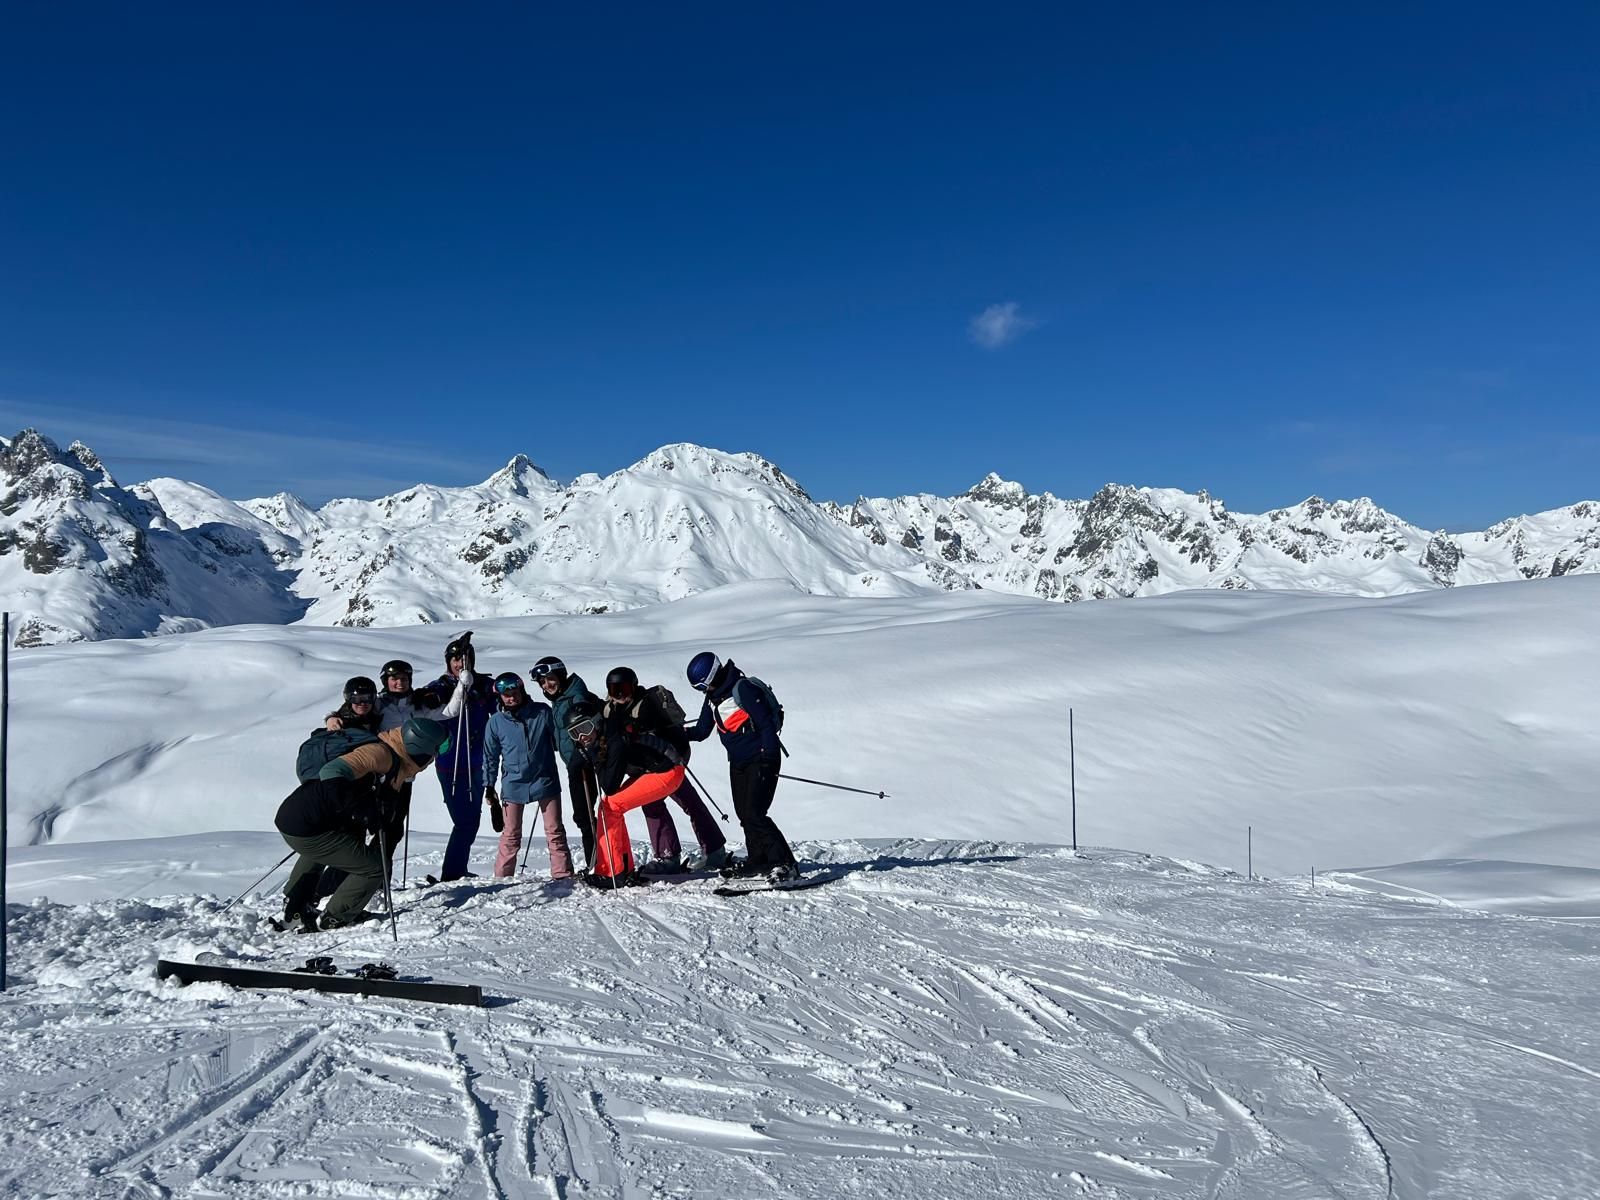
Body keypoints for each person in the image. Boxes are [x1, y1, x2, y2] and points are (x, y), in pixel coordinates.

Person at [276, 717, 451, 930]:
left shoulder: (397, 759)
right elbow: (331, 772)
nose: (434, 756)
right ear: (419, 746)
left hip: (301, 818)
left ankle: (295, 908)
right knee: (375, 868)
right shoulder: (381, 753)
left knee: (324, 852)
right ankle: (335, 917)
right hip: (307, 825)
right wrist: (363, 810)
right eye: (436, 749)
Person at [685, 651, 798, 882]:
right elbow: (702, 731)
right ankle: (758, 859)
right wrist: (676, 734)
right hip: (738, 762)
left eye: (701, 686)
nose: (702, 691)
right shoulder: (713, 697)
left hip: (762, 758)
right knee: (744, 814)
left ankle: (785, 864)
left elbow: (765, 725)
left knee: (756, 814)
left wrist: (768, 758)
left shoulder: (742, 689)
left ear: (711, 677)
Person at [603, 666, 728, 873]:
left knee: (664, 806)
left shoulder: (648, 704)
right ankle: (713, 850)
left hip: (666, 765)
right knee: (684, 804)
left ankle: (671, 857)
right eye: (614, 689)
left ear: (633, 686)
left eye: (623, 688)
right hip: (648, 767)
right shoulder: (612, 709)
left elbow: (649, 730)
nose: (619, 695)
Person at [565, 698, 686, 887]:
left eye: (585, 728)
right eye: (575, 733)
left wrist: (593, 757)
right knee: (608, 806)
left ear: (596, 721)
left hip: (668, 771)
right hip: (658, 769)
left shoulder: (614, 740)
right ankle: (623, 868)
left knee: (610, 806)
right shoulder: (605, 736)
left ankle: (613, 872)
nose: (582, 737)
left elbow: (609, 785)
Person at [482, 671, 573, 880]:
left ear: (521, 690)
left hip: (545, 779)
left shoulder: (541, 712)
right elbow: (490, 757)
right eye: (506, 694)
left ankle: (563, 875)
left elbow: (559, 741)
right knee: (511, 834)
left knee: (554, 829)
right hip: (513, 784)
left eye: (515, 692)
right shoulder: (495, 723)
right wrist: (489, 786)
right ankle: (502, 878)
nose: (512, 697)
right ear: (500, 697)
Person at [422, 633, 498, 882]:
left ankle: (456, 869)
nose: (460, 663)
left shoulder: (483, 686)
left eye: (464, 658)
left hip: (477, 763)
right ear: (448, 662)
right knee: (464, 822)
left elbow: (501, 707)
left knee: (472, 820)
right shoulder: (440, 686)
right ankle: (452, 873)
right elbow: (429, 700)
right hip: (450, 765)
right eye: (455, 659)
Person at [533, 656, 601, 870]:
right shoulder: (561, 699)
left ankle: (597, 862)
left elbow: (591, 724)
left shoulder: (576, 698)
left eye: (550, 678)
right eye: (542, 682)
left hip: (583, 764)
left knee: (585, 815)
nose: (547, 685)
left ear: (561, 675)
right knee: (585, 815)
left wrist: (584, 753)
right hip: (575, 763)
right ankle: (598, 860)